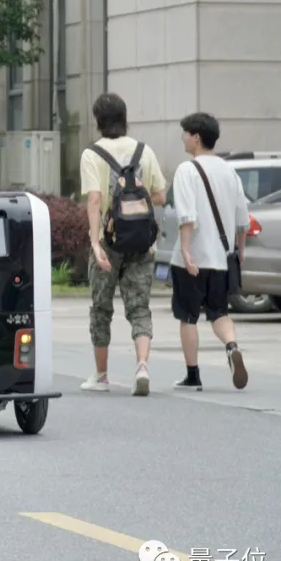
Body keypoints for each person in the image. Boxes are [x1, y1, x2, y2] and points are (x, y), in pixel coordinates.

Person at [78, 92, 168, 396]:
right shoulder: (144, 151)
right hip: (142, 243)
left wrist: (95, 243)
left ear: (98, 121)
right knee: (139, 307)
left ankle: (101, 375)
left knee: (101, 309)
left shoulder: (92, 154)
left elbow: (94, 200)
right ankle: (142, 365)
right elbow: (160, 196)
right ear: (124, 118)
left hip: (108, 242)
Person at [168, 112, 249, 391]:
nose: (183, 138)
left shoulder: (186, 170)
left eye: (185, 133)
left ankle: (193, 375)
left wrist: (187, 252)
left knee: (188, 316)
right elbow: (243, 220)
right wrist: (240, 252)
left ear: (196, 138)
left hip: (192, 258)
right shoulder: (230, 171)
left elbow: (187, 217)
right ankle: (231, 346)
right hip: (221, 259)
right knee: (219, 312)